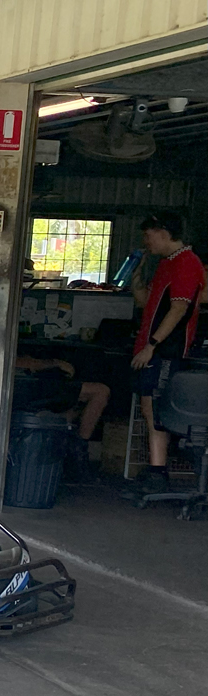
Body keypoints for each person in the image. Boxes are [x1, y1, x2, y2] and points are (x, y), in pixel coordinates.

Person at [127, 210, 205, 496]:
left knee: (157, 410)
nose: (146, 242)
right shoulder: (166, 263)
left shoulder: (186, 262)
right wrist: (136, 271)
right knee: (149, 407)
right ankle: (155, 468)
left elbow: (179, 308)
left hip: (166, 350)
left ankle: (159, 471)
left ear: (163, 233)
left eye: (149, 236)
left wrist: (153, 344)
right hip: (151, 347)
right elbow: (144, 301)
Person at [14, 354, 109, 476]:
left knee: (80, 403)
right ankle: (78, 450)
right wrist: (54, 363)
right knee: (101, 391)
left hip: (38, 383)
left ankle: (71, 445)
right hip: (28, 386)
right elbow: (15, 362)